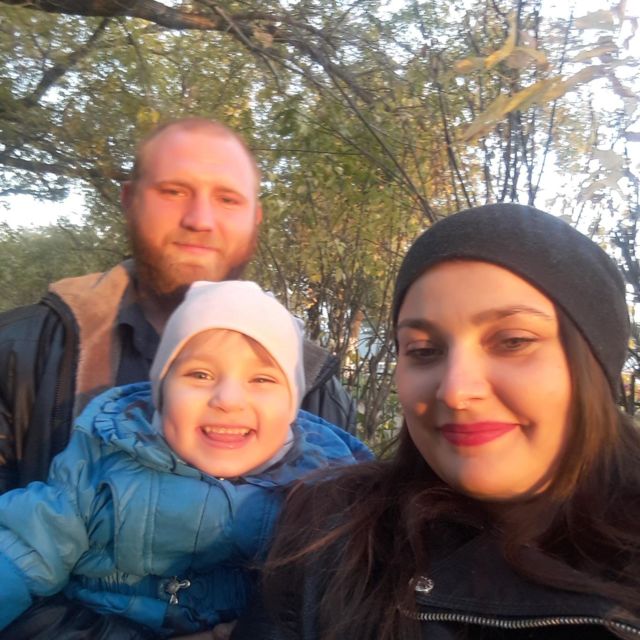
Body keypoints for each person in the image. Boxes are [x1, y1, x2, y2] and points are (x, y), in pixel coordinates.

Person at [231, 203, 640, 640]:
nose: (455, 391)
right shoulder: (327, 536)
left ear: (595, 362)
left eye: (513, 341)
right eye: (423, 351)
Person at [0, 117, 356, 494]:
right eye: (173, 191)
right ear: (130, 201)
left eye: (227, 199)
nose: (200, 220)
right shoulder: (16, 355)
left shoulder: (319, 391)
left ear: (255, 218)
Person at [0, 280, 371, 639]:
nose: (228, 399)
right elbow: (19, 552)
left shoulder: (324, 486)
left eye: (261, 379)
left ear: (291, 407)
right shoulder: (104, 464)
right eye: (200, 374)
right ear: (161, 393)